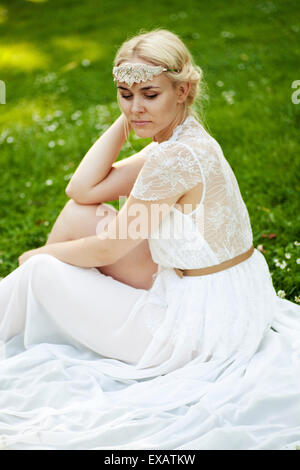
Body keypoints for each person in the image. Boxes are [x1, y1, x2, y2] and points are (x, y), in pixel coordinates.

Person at [0, 29, 299, 450]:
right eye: (125, 94)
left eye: (150, 94)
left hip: (202, 329)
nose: (135, 107)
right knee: (83, 214)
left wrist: (37, 254)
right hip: (227, 294)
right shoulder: (181, 138)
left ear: (184, 91)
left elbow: (108, 249)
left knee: (44, 272)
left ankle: (29, 305)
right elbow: (81, 191)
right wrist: (131, 120)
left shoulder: (173, 159)